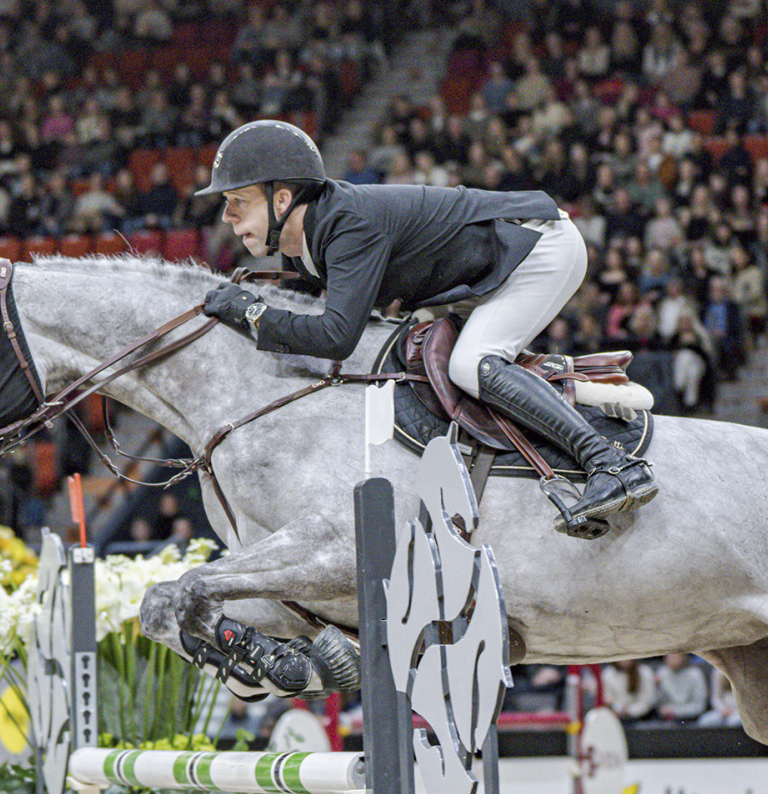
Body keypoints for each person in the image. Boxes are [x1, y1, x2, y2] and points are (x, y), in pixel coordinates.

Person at [195, 119, 656, 536]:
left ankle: (610, 463)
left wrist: (252, 314)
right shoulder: (304, 245)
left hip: (536, 248)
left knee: (473, 364)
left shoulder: (346, 224)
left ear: (281, 199)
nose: (226, 217)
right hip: (484, 270)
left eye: (237, 201)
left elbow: (335, 336)